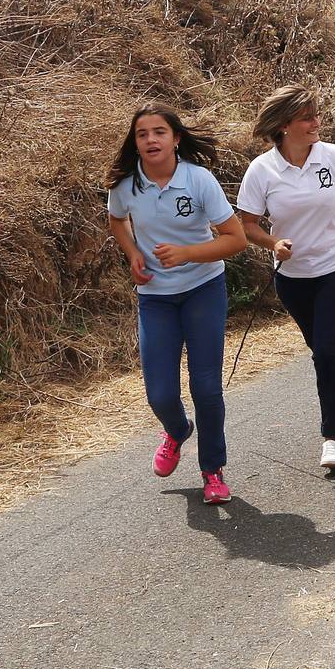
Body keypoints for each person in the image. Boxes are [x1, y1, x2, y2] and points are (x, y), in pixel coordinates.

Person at [237, 86, 335, 470]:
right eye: (307, 117)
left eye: (316, 114)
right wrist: (273, 242)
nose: (316, 122)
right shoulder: (262, 170)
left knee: (327, 350)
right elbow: (247, 225)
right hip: (293, 279)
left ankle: (332, 438)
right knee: (325, 352)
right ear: (284, 125)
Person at [106, 104, 248, 505]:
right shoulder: (125, 186)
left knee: (206, 387)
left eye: (159, 132)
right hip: (155, 298)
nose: (151, 140)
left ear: (176, 139)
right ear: (135, 143)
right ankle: (177, 430)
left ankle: (213, 471)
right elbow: (117, 220)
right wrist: (132, 252)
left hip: (203, 288)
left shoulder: (198, 180)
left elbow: (235, 239)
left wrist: (188, 253)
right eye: (142, 134)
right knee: (160, 394)